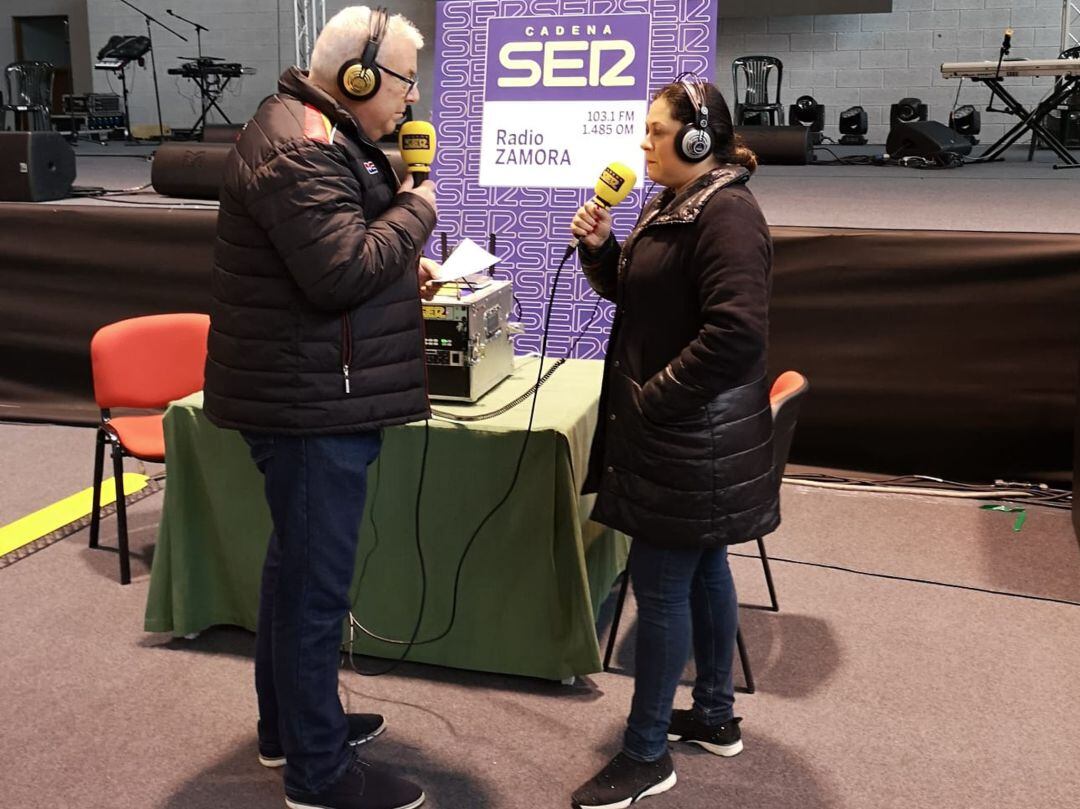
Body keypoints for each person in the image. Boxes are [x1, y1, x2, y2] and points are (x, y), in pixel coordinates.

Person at [203, 6, 438, 809]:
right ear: (358, 76)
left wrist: (402, 261)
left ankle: (289, 728)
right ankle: (318, 771)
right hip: (309, 404)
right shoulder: (303, 145)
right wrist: (419, 209)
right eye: (404, 81)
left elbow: (341, 255)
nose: (411, 98)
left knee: (292, 573)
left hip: (310, 389)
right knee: (314, 590)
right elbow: (338, 273)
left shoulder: (324, 133)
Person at [568, 75, 781, 809]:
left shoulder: (727, 215)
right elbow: (641, 293)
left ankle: (646, 751)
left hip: (692, 440)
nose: (643, 144)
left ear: (697, 138)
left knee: (659, 591)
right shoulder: (672, 200)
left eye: (655, 132)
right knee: (703, 572)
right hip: (689, 438)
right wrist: (602, 251)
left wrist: (652, 398)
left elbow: (736, 333)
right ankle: (715, 715)